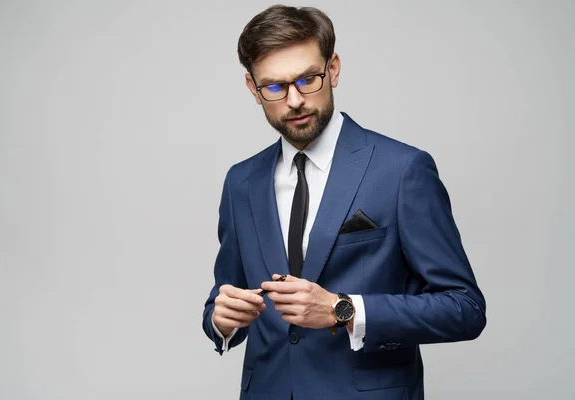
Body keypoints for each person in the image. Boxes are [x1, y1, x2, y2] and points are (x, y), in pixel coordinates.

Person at [201, 5, 486, 400]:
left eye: (308, 79)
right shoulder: (241, 182)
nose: (295, 100)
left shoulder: (402, 170)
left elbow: (464, 309)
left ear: (333, 69)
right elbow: (224, 295)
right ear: (253, 88)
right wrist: (221, 318)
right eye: (275, 87)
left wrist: (342, 310)